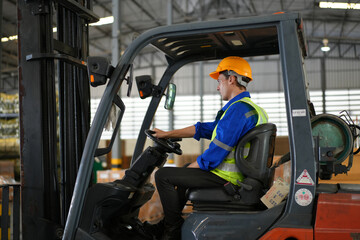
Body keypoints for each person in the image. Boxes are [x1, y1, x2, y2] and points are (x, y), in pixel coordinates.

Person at [151, 56, 268, 240]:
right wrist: (167, 134)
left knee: (162, 175)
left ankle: (172, 228)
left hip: (228, 177)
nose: (217, 86)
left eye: (219, 81)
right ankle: (169, 224)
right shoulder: (247, 108)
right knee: (183, 172)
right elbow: (205, 129)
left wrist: (197, 165)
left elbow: (219, 149)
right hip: (238, 174)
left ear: (232, 79)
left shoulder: (238, 110)